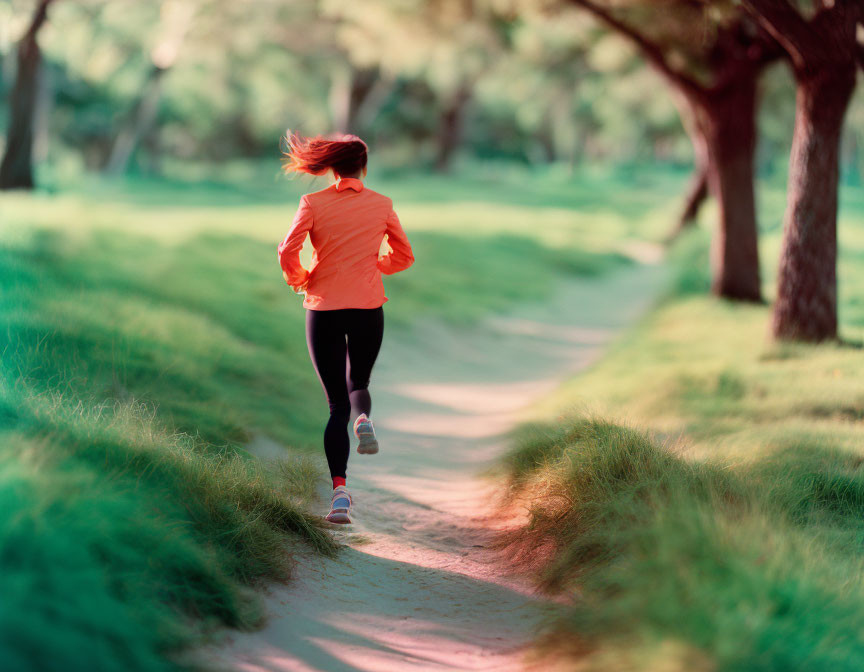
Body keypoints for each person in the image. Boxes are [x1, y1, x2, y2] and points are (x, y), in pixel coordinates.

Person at [277, 132, 414, 524]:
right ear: (363, 167)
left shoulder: (312, 202)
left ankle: (339, 494)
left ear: (331, 167)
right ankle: (364, 420)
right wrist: (375, 266)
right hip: (368, 306)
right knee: (359, 385)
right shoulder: (382, 204)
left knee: (335, 404)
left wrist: (300, 277)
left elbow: (288, 249)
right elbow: (404, 255)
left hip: (323, 307)